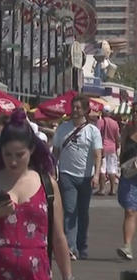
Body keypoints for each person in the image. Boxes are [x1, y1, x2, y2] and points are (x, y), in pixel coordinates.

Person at [0, 110, 73, 280]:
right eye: (7, 154)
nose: (13, 161)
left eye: (19, 154)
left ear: (31, 149)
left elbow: (58, 237)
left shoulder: (47, 184)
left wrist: (68, 276)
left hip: (35, 273)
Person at [53, 94, 103, 260]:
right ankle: (70, 247)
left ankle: (82, 246)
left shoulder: (92, 131)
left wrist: (96, 174)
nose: (74, 110)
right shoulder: (63, 128)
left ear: (85, 110)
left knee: (83, 212)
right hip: (67, 175)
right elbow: (56, 151)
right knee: (69, 210)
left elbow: (97, 154)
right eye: (73, 107)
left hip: (86, 177)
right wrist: (53, 169)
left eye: (78, 108)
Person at [117, 103, 137, 260]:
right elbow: (122, 151)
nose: (136, 114)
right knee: (130, 210)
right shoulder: (126, 130)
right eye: (134, 111)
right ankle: (127, 246)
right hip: (130, 175)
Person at [95, 105, 121, 196]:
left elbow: (97, 136)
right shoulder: (115, 123)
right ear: (109, 113)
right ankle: (113, 189)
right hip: (112, 148)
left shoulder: (100, 122)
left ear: (102, 112)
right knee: (112, 169)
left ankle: (102, 189)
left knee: (102, 169)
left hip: (102, 148)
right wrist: (117, 146)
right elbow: (117, 137)